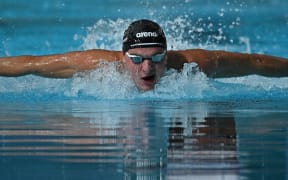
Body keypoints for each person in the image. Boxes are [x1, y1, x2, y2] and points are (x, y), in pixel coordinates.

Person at [0, 19, 287, 91]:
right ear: (123, 56)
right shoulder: (99, 65)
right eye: (137, 59)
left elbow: (255, 63)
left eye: (156, 57)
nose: (147, 67)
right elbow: (32, 65)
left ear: (168, 53)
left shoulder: (191, 64)